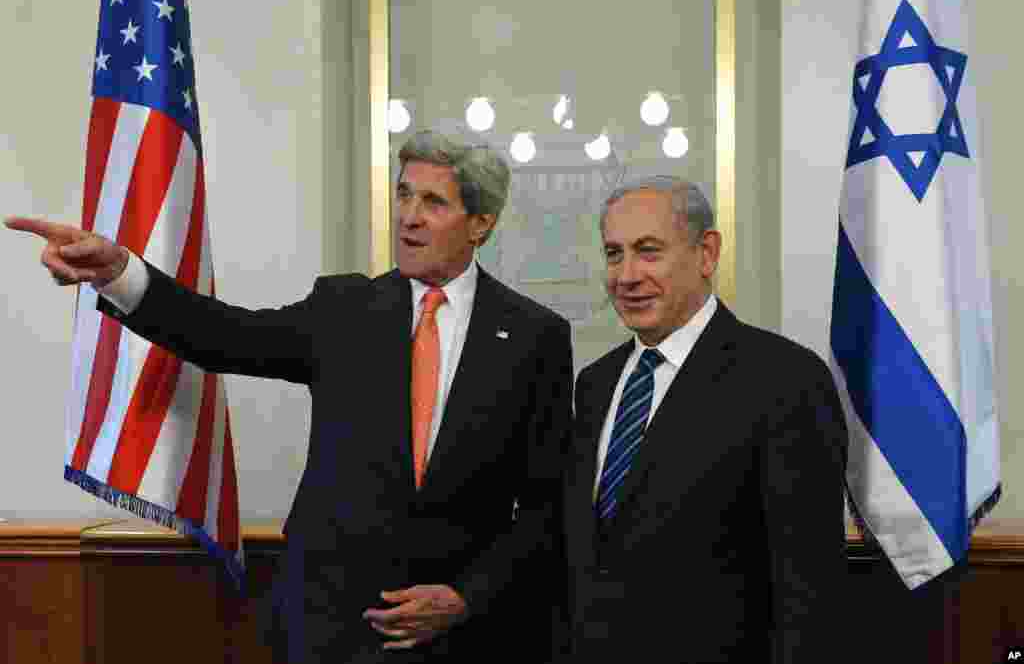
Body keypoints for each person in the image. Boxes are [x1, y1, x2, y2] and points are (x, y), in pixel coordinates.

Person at [6, 130, 573, 664]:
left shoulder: (533, 337)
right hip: (332, 628)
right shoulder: (346, 308)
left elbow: (546, 507)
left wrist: (463, 597)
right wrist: (119, 273)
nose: (409, 217)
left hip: (464, 638)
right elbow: (223, 336)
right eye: (404, 195)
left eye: (434, 202)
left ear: (481, 223)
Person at [562, 176, 847, 663]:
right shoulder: (596, 383)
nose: (626, 275)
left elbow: (808, 590)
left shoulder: (784, 380)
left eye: (648, 251)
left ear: (707, 253)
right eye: (614, 254)